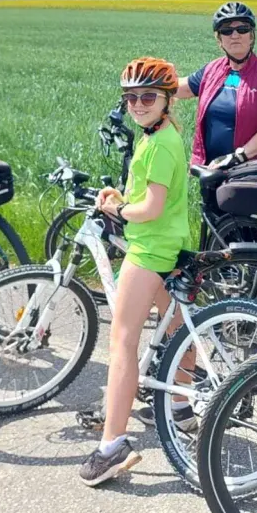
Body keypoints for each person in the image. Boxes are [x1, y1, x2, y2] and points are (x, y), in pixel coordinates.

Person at [81, 57, 193, 487]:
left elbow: (152, 208)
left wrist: (118, 209)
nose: (138, 104)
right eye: (130, 98)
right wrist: (121, 194)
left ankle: (112, 445)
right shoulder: (159, 136)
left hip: (150, 250)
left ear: (167, 100)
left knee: (123, 342)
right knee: (179, 329)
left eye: (148, 97)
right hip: (169, 243)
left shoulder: (161, 144)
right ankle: (181, 406)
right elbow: (147, 194)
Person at [176, 2, 257, 168]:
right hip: (210, 170)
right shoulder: (211, 70)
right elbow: (181, 88)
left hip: (250, 170)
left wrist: (239, 157)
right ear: (219, 39)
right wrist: (150, 77)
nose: (234, 35)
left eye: (242, 29)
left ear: (251, 36)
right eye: (227, 30)